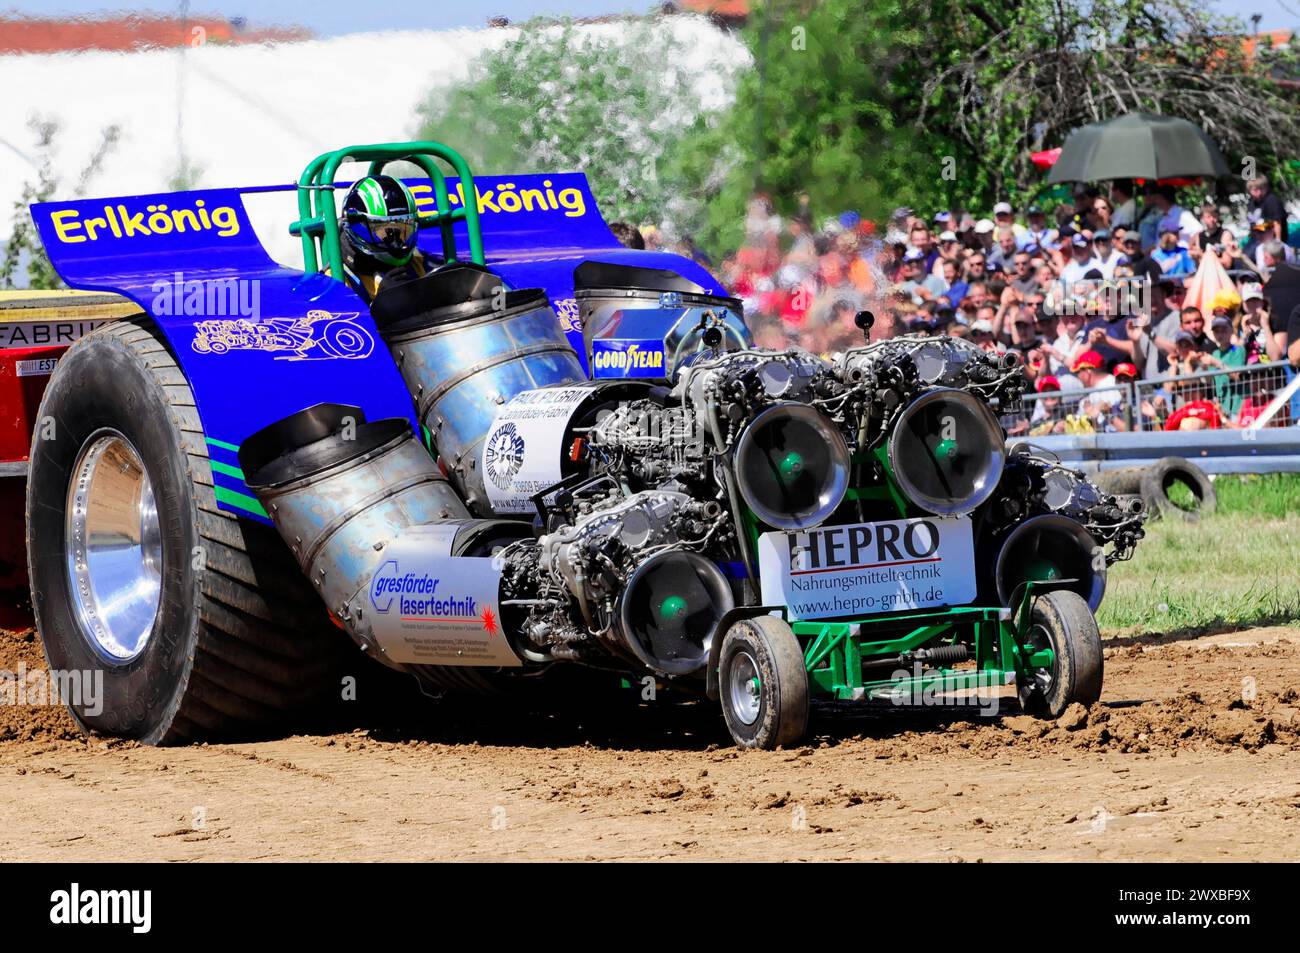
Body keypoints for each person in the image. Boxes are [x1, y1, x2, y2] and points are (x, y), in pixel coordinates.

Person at [338, 174, 429, 303]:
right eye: (388, 231)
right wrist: (382, 305)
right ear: (359, 228)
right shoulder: (338, 279)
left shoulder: (420, 264)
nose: (397, 242)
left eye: (402, 229)